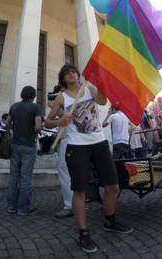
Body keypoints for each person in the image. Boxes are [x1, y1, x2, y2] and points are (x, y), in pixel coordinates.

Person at [45, 64, 132, 254]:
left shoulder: (88, 89)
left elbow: (102, 101)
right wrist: (59, 121)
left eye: (74, 72)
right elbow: (47, 121)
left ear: (78, 75)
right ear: (63, 78)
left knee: (113, 186)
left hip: (99, 142)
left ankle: (110, 219)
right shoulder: (62, 97)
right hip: (76, 146)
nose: (71, 74)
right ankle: (83, 232)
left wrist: (101, 86)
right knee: (80, 191)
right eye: (67, 73)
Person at [5, 86, 43, 216]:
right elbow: (38, 126)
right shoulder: (35, 107)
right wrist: (37, 130)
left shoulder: (14, 106)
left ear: (22, 94)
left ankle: (11, 206)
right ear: (33, 96)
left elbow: (7, 123)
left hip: (15, 144)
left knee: (14, 176)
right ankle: (23, 208)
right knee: (25, 177)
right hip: (28, 145)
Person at [47, 85, 74, 218]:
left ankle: (70, 205)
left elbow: (66, 117)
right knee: (69, 172)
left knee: (65, 172)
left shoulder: (68, 101)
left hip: (69, 139)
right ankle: (76, 201)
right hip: (69, 139)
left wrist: (54, 107)